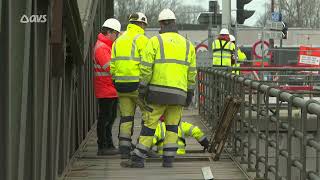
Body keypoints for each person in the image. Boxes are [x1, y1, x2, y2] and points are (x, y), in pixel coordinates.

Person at [120, 8, 197, 168]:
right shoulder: (188, 45)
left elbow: (146, 69)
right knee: (172, 127)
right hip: (179, 95)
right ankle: (168, 160)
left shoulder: (154, 41)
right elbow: (192, 73)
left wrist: (142, 88)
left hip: (157, 93)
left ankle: (138, 159)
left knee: (149, 125)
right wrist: (189, 93)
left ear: (161, 24)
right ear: (174, 23)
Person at [110, 12, 149, 159]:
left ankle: (124, 149)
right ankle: (143, 146)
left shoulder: (118, 40)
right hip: (137, 86)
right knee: (148, 116)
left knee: (126, 117)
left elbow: (112, 65)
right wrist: (146, 83)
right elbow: (147, 65)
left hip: (120, 85)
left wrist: (115, 80)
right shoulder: (143, 40)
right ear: (141, 24)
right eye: (144, 25)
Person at [93, 18, 121, 155]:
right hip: (105, 89)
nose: (117, 37)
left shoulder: (106, 46)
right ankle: (103, 146)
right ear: (109, 32)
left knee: (110, 118)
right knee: (105, 118)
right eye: (116, 34)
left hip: (110, 89)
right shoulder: (102, 47)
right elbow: (109, 67)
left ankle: (108, 145)